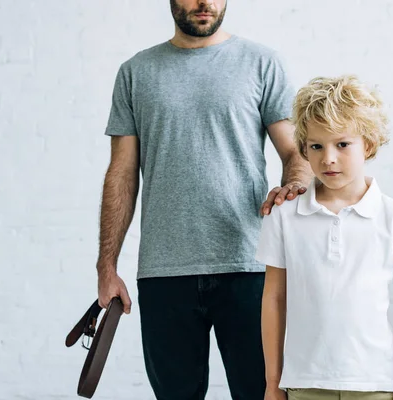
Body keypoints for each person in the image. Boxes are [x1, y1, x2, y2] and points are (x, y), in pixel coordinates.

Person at [96, 0, 312, 398]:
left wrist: (295, 185)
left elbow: (296, 152)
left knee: (262, 393)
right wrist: (106, 266)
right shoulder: (136, 72)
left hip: (248, 265)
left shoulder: (261, 63)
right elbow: (121, 173)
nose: (204, 3)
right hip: (164, 273)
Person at [256, 75, 393, 400]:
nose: (328, 158)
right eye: (316, 146)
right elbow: (273, 301)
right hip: (303, 383)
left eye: (342, 144)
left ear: (367, 143)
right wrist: (272, 383)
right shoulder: (283, 217)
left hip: (375, 385)